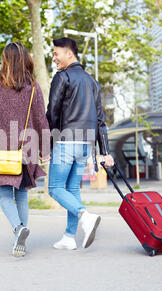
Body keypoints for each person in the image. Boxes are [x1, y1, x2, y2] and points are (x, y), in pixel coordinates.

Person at [0, 42, 50, 257]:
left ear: (5, 59)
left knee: (3, 195)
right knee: (21, 195)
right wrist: (45, 148)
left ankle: (18, 229)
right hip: (27, 146)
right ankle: (21, 241)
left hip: (2, 146)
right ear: (25, 59)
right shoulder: (33, 85)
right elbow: (41, 118)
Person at [46, 37, 114, 250]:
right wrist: (105, 151)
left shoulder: (62, 77)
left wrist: (48, 143)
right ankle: (69, 237)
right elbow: (101, 120)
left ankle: (85, 216)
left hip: (66, 141)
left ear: (69, 54)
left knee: (55, 188)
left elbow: (53, 113)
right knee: (72, 188)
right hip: (86, 145)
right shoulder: (92, 81)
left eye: (57, 53)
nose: (54, 58)